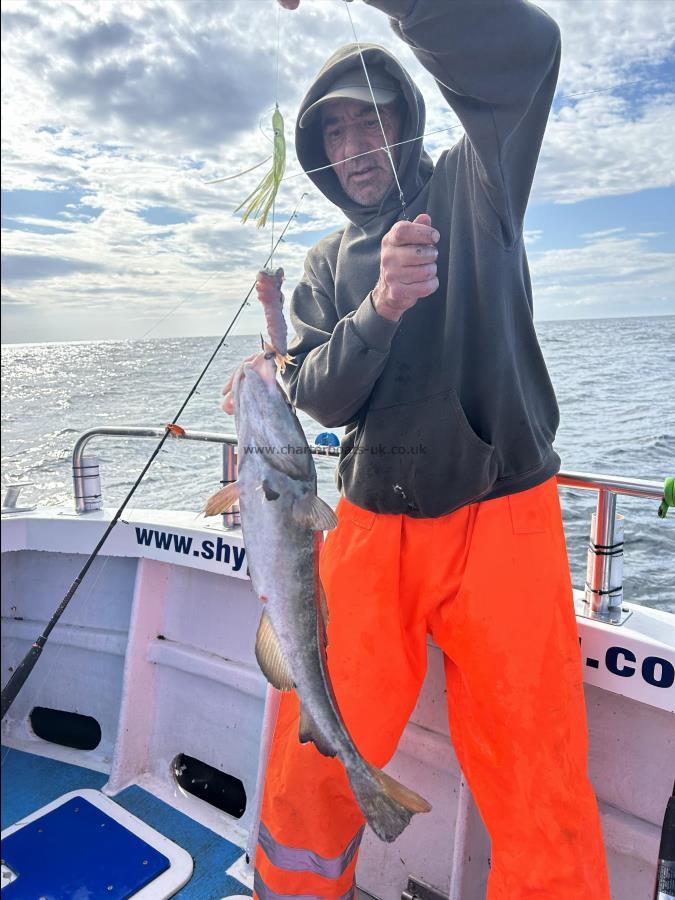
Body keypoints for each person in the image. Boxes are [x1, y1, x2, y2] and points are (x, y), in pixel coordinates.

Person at [241, 1, 611, 897]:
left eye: (371, 116)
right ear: (321, 154)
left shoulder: (476, 182)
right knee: (314, 753)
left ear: (406, 120)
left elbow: (527, 50)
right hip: (368, 525)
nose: (356, 141)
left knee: (537, 777)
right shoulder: (328, 264)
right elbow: (320, 396)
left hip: (505, 518)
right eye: (334, 129)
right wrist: (381, 310)